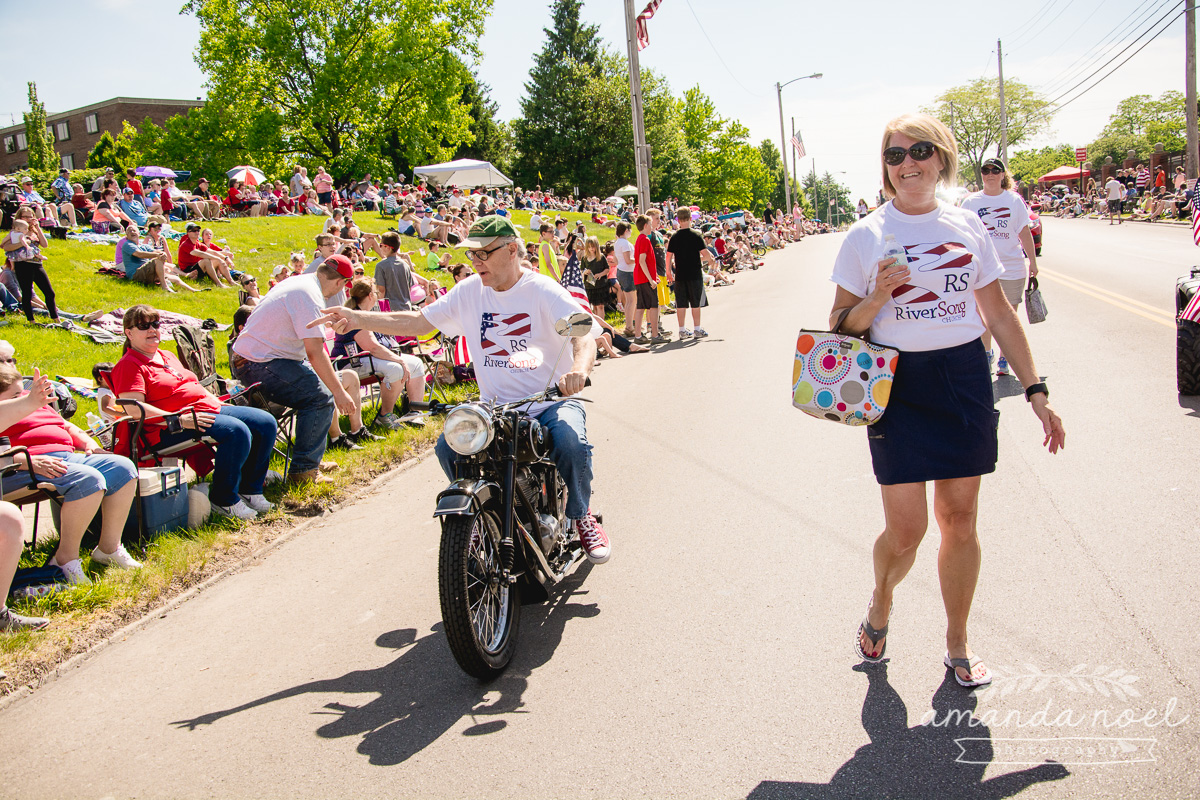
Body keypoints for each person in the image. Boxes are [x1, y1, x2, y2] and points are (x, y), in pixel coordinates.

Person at [830, 113, 1065, 688]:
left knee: (959, 520)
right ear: (885, 169)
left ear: (941, 158)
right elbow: (838, 328)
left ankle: (957, 642)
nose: (907, 163)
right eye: (894, 155)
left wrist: (1035, 389)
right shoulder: (864, 235)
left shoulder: (967, 227)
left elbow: (999, 314)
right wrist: (878, 297)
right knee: (906, 531)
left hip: (962, 378)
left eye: (919, 151)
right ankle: (881, 603)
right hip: (897, 386)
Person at [309, 216, 610, 563]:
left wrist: (577, 370)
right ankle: (482, 518)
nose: (476, 262)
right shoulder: (469, 291)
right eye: (472, 256)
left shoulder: (542, 290)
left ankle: (581, 514)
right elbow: (419, 322)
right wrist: (359, 318)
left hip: (549, 400)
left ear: (512, 250)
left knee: (572, 443)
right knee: (448, 449)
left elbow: (582, 335)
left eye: (483, 253)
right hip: (495, 407)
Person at [110, 305, 278, 521]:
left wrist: (217, 403)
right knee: (236, 431)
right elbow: (134, 409)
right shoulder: (130, 365)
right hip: (168, 428)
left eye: (155, 324)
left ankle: (250, 489)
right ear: (129, 333)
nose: (152, 330)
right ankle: (223, 500)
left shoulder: (167, 355)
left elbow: (191, 386)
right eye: (144, 326)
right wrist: (178, 420)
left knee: (265, 422)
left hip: (204, 409)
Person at [0, 364, 141, 585]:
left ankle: (108, 548)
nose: (23, 396)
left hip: (65, 455)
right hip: (25, 465)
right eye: (16, 395)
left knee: (123, 468)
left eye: (23, 391)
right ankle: (65, 559)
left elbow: (65, 426)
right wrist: (28, 462)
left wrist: (88, 443)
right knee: (87, 480)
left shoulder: (32, 399)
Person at [229, 255, 358, 484]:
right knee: (321, 397)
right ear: (341, 283)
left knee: (317, 391)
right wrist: (339, 392)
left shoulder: (301, 283)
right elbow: (315, 352)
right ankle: (304, 472)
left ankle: (310, 462)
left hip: (257, 358)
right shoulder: (309, 295)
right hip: (258, 362)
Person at [960, 157, 1039, 377]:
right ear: (982, 174)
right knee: (983, 315)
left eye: (996, 170)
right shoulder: (970, 203)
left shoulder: (1013, 201)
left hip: (1012, 267)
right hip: (981, 269)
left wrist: (1032, 261)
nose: (991, 174)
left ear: (1003, 175)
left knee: (1009, 316)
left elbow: (1024, 232)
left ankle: (1004, 359)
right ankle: (986, 355)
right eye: (986, 170)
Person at [330, 277, 427, 430]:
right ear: (370, 295)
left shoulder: (366, 313)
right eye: (375, 292)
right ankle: (384, 415)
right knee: (396, 368)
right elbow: (372, 347)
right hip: (351, 362)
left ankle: (414, 412)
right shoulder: (354, 316)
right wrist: (399, 360)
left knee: (416, 363)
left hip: (369, 359)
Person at [665, 206, 716, 339]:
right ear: (690, 218)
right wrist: (704, 259)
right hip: (694, 273)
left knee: (680, 303)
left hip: (680, 274)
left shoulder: (674, 237)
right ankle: (697, 329)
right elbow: (705, 255)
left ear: (678, 219)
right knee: (695, 302)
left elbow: (668, 256)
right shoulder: (696, 235)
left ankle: (681, 330)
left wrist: (668, 272)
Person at [3, 207, 58, 322]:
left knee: (49, 292)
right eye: (25, 216)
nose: (29, 219)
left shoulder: (34, 230)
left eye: (31, 216)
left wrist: (38, 227)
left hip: (37, 264)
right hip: (22, 264)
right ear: (20, 217)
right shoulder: (16, 232)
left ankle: (55, 317)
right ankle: (31, 320)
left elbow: (44, 244)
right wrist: (23, 243)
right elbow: (5, 246)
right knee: (27, 293)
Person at [119, 222, 191, 292]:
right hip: (135, 274)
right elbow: (139, 254)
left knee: (175, 278)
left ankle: (193, 290)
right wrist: (158, 255)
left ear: (138, 233)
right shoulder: (128, 244)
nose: (132, 232)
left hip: (147, 272)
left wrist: (162, 253)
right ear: (126, 235)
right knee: (158, 260)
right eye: (129, 231)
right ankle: (164, 286)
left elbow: (155, 251)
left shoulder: (144, 245)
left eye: (134, 230)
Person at [177, 223, 234, 287]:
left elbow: (213, 252)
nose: (197, 232)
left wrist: (226, 258)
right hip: (188, 269)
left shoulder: (198, 243)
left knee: (217, 260)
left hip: (198, 267)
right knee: (206, 260)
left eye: (198, 230)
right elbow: (201, 254)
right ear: (188, 233)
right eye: (194, 230)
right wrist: (218, 258)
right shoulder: (186, 244)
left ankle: (231, 282)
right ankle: (219, 284)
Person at [612, 222, 637, 336]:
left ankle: (630, 325)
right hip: (628, 272)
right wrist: (639, 260)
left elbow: (616, 260)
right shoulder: (625, 243)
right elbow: (628, 260)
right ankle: (630, 326)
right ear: (626, 230)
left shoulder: (617, 243)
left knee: (629, 301)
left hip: (621, 271)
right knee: (632, 301)